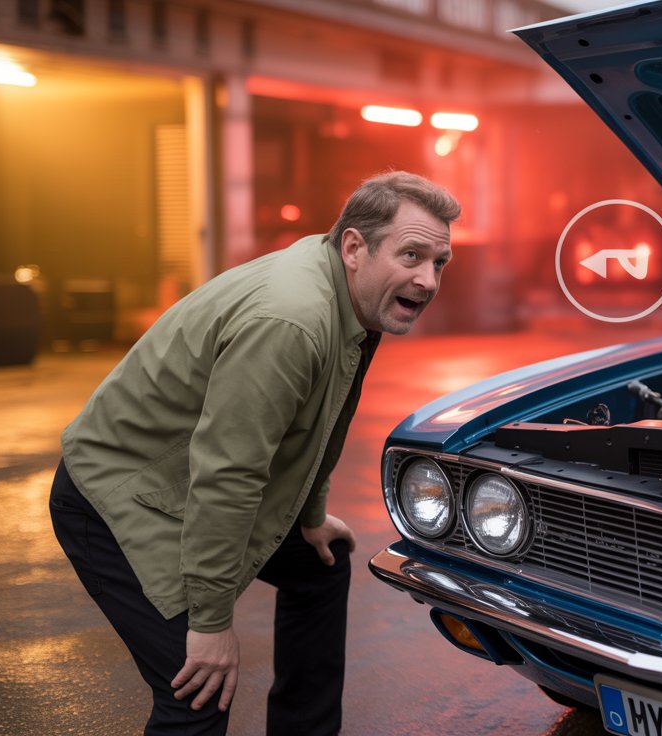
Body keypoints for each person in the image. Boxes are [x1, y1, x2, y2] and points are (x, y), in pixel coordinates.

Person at [48, 171, 459, 735]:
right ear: (355, 247)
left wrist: (310, 516)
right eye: (412, 255)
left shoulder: (351, 297)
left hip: (185, 484)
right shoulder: (290, 320)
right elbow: (228, 473)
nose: (428, 279)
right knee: (196, 689)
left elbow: (326, 417)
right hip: (119, 496)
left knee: (320, 566)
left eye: (439, 263)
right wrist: (211, 623)